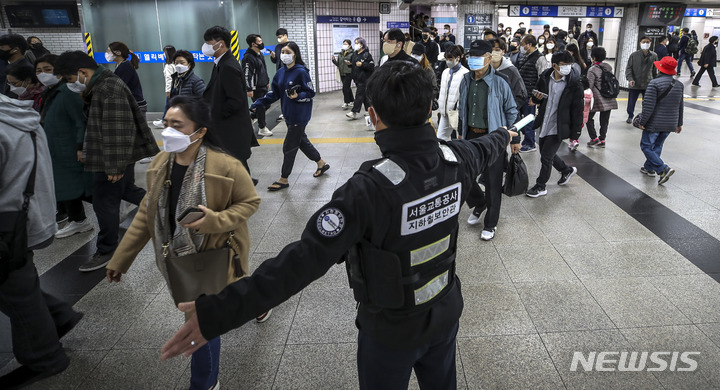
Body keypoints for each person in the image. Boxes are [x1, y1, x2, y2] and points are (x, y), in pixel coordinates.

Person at [160, 59, 516, 390]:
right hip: (446, 313)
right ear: (430, 108)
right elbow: (489, 145)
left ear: (373, 115)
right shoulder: (458, 159)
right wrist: (507, 136)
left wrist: (218, 312)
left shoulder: (367, 190)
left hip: (389, 333)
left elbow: (301, 262)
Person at [106, 96, 261, 390]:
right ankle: (255, 304)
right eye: (166, 124)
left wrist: (213, 220)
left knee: (202, 320)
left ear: (199, 131)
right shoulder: (159, 164)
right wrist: (120, 259)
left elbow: (250, 203)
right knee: (214, 309)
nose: (168, 132)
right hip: (178, 255)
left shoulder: (226, 165)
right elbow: (147, 213)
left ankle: (204, 383)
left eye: (177, 125)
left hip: (217, 254)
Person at [0, 92, 84, 389]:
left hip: (9, 219)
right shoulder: (20, 115)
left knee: (15, 288)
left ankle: (45, 356)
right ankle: (58, 315)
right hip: (24, 214)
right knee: (17, 283)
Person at [54, 50, 159, 272]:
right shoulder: (101, 85)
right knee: (125, 189)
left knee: (105, 202)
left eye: (71, 79)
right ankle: (163, 206)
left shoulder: (108, 88)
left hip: (110, 157)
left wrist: (114, 166)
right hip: (111, 154)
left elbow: (117, 130)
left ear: (82, 72)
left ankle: (107, 249)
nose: (72, 84)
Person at [458, 39, 519, 240]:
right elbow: (462, 109)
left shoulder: (500, 82)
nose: (473, 60)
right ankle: (480, 202)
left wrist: (513, 138)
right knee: (465, 175)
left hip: (494, 136)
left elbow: (511, 110)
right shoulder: (466, 80)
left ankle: (491, 223)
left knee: (493, 182)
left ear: (488, 58)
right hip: (471, 135)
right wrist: (461, 131)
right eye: (471, 56)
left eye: (478, 57)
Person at [251, 42, 329, 192]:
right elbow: (274, 93)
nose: (284, 54)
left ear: (295, 54)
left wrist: (298, 95)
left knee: (289, 146)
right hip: (288, 114)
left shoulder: (301, 72)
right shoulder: (280, 72)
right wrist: (257, 104)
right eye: (283, 52)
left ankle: (284, 178)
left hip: (300, 115)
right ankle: (321, 163)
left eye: (288, 52)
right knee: (301, 141)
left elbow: (310, 93)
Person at [36, 54, 94, 239]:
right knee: (68, 187)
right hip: (55, 148)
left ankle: (81, 219)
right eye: (38, 71)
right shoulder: (49, 92)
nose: (43, 74)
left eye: (48, 70)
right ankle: (77, 219)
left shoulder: (67, 92)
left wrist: (80, 146)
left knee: (76, 187)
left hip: (67, 148)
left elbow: (80, 121)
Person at [202, 26, 258, 174]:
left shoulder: (228, 66)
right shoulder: (220, 63)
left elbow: (236, 100)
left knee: (238, 169)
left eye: (209, 42)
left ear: (220, 43)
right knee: (236, 169)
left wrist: (216, 116)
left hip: (231, 130)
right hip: (227, 128)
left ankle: (247, 194)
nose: (206, 46)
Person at [526, 51, 582, 198]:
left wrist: (575, 133)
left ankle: (540, 186)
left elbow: (578, 109)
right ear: (554, 65)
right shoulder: (545, 77)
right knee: (546, 153)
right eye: (563, 65)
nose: (567, 68)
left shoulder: (574, 83)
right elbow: (537, 98)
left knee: (545, 157)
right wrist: (536, 98)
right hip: (545, 121)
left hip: (559, 125)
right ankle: (566, 170)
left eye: (569, 65)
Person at [636, 56, 684, 185]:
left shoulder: (654, 84)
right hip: (670, 123)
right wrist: (679, 123)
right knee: (657, 145)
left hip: (655, 123)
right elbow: (680, 105)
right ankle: (649, 167)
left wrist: (643, 122)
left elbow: (649, 106)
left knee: (646, 146)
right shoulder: (679, 85)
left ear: (659, 69)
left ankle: (662, 169)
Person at [106, 41, 148, 120]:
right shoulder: (120, 65)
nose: (107, 54)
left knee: (139, 131)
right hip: (133, 104)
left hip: (136, 105)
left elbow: (118, 86)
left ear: (118, 52)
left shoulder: (125, 66)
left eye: (108, 51)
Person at [585, 47, 618, 148]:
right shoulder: (608, 67)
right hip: (609, 97)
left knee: (588, 117)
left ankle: (594, 138)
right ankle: (602, 139)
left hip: (597, 98)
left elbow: (589, 85)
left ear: (593, 57)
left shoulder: (592, 69)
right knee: (605, 120)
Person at [242, 33, 273, 137]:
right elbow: (247, 74)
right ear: (253, 44)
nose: (261, 43)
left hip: (263, 85)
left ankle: (252, 116)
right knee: (260, 106)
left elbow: (263, 69)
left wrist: (267, 81)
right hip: (255, 88)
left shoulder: (260, 54)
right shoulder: (248, 57)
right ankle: (262, 128)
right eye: (259, 41)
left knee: (267, 104)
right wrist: (249, 89)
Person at [517, 34, 543, 152]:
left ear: (529, 45)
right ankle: (526, 139)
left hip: (530, 95)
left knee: (528, 119)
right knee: (518, 119)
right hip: (521, 94)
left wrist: (536, 97)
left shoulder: (539, 58)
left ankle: (530, 143)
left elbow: (542, 78)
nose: (520, 47)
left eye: (522, 45)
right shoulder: (523, 56)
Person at [437, 45, 470, 141]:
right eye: (446, 58)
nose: (448, 61)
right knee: (440, 139)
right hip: (445, 112)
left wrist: (460, 110)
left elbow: (464, 96)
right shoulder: (445, 72)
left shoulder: (465, 73)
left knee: (461, 140)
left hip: (457, 113)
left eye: (450, 58)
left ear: (458, 58)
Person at [625, 37, 658, 124]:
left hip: (648, 83)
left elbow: (655, 70)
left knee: (647, 103)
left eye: (648, 42)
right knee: (631, 101)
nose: (646, 43)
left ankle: (644, 117)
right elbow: (629, 68)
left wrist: (655, 82)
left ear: (650, 43)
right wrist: (630, 79)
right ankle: (630, 115)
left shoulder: (654, 56)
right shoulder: (634, 55)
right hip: (635, 83)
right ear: (640, 43)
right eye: (644, 42)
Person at [489, 38, 527, 111]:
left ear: (503, 51)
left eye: (497, 50)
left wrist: (508, 110)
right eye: (491, 50)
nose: (493, 52)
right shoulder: (484, 69)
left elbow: (521, 95)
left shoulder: (511, 70)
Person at [346, 37, 374, 120]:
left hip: (364, 78)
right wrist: (350, 64)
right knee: (364, 95)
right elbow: (354, 64)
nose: (356, 45)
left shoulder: (367, 55)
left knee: (359, 95)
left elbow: (371, 66)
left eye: (357, 43)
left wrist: (362, 64)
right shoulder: (355, 54)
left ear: (362, 45)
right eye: (355, 43)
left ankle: (354, 112)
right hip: (357, 78)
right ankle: (368, 110)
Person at [153, 45, 177, 128]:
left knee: (168, 105)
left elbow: (169, 79)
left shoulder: (169, 66)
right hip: (177, 88)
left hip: (171, 89)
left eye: (164, 53)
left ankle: (164, 121)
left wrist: (168, 90)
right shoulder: (176, 63)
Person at [568, 75, 593, 152]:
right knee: (578, 129)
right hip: (584, 116)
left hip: (576, 115)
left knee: (573, 129)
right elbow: (591, 105)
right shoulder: (590, 92)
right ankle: (575, 140)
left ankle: (574, 141)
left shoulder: (579, 92)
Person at [270, 28, 290, 123]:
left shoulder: (292, 45)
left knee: (290, 93)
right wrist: (273, 57)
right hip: (280, 74)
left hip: (290, 74)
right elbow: (276, 61)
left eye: (280, 37)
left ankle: (291, 112)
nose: (279, 39)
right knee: (282, 94)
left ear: (285, 36)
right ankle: (284, 113)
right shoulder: (278, 47)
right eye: (277, 37)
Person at [332, 39, 355, 109]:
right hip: (342, 73)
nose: (344, 45)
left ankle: (346, 102)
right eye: (343, 44)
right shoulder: (341, 53)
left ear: (350, 45)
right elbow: (338, 64)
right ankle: (352, 101)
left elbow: (354, 63)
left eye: (346, 44)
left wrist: (350, 63)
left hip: (349, 72)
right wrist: (333, 60)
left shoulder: (352, 53)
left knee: (345, 88)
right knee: (347, 87)